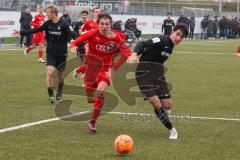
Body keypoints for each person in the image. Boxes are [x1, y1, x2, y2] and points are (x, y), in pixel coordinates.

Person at [69, 13, 138, 133]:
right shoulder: (92, 33)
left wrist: (128, 58)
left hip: (106, 70)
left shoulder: (115, 38)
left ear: (110, 25)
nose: (104, 26)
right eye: (102, 24)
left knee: (99, 93)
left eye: (107, 24)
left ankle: (92, 122)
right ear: (98, 24)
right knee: (91, 99)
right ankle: (88, 84)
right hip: (91, 69)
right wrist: (73, 47)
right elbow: (76, 41)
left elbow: (126, 52)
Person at [128, 23, 189, 140]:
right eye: (177, 34)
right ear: (173, 31)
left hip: (158, 74)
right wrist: (134, 54)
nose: (178, 38)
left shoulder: (171, 46)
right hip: (144, 74)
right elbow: (143, 43)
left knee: (167, 105)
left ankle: (160, 113)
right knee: (156, 103)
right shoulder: (162, 40)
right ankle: (172, 130)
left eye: (182, 37)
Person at [12, 4, 72, 104]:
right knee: (50, 72)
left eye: (47, 12)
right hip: (51, 53)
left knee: (61, 76)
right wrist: (21, 32)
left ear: (53, 13)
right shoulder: (47, 23)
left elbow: (73, 35)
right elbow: (36, 30)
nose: (46, 14)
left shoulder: (64, 24)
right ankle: (51, 95)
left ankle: (60, 92)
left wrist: (79, 43)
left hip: (62, 54)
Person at [73, 8, 101, 78]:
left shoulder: (102, 23)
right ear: (93, 13)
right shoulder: (88, 23)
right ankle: (85, 75)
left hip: (98, 45)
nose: (98, 13)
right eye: (96, 12)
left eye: (99, 12)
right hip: (88, 44)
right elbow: (81, 32)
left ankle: (78, 70)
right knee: (89, 60)